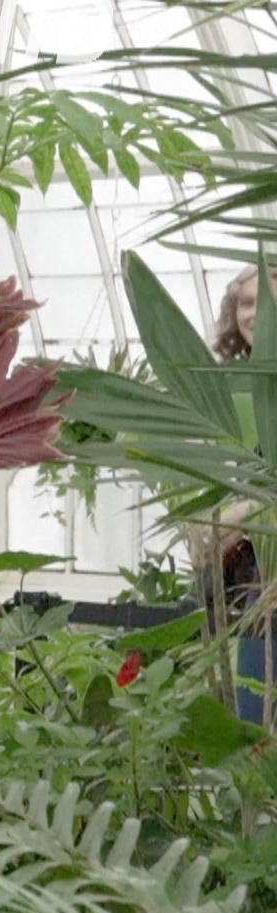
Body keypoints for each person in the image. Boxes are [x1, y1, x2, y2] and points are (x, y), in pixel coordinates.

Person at [201, 265, 268, 724]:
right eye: (247, 303)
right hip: (246, 597)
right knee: (251, 744)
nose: (257, 314)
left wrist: (244, 511)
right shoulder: (219, 391)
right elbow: (206, 500)